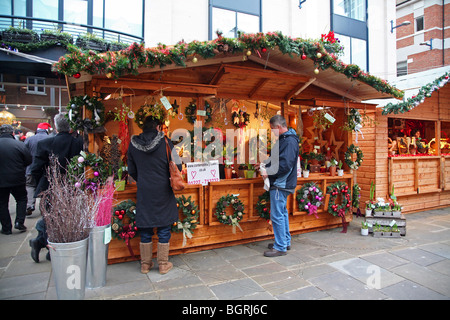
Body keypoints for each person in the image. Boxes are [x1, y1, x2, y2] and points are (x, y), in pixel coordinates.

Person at [127, 116, 181, 274]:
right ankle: (163, 264)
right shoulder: (165, 142)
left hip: (144, 189)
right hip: (163, 189)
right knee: (164, 226)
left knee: (146, 226)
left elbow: (131, 170)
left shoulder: (133, 144)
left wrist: (143, 179)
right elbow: (177, 164)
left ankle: (145, 264)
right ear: (158, 127)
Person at [28, 114, 83, 263]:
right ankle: (47, 246)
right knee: (60, 217)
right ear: (70, 127)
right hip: (70, 185)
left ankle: (43, 243)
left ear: (56, 126)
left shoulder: (46, 143)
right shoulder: (77, 143)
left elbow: (35, 168)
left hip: (50, 185)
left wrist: (45, 179)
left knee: (50, 217)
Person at [256, 115, 299, 257]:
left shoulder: (289, 141)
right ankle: (284, 241)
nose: (272, 132)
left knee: (277, 215)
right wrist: (264, 164)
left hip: (281, 183)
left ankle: (280, 246)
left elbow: (285, 165)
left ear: (279, 127)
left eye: (273, 129)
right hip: (282, 183)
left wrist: (268, 172)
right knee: (282, 213)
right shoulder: (286, 139)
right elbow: (276, 159)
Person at [0, 124, 32, 234]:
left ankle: (6, 228)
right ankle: (19, 222)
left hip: (1, 180)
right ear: (12, 133)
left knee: (2, 203)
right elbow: (28, 160)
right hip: (17, 177)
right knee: (21, 199)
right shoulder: (19, 145)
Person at [24, 122, 51, 215]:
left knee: (30, 186)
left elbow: (24, 152)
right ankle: (44, 207)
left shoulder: (29, 139)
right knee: (44, 188)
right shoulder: (50, 139)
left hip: (30, 167)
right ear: (46, 130)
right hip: (45, 168)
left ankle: (29, 205)